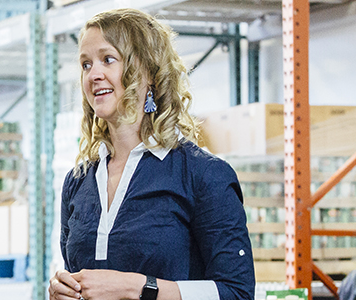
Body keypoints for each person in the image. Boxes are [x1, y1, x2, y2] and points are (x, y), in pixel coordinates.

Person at [51, 8, 255, 300]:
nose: (94, 75)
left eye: (108, 59)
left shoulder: (202, 175)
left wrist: (136, 288)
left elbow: (237, 292)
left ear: (148, 71)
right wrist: (63, 291)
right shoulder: (78, 182)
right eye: (85, 64)